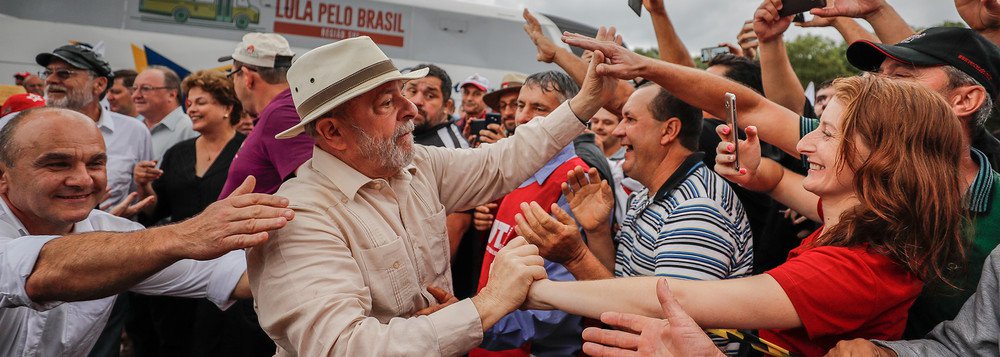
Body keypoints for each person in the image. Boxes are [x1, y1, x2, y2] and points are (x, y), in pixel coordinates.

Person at [569, 12, 1000, 339]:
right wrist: (644, 67)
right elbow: (754, 111)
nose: (808, 145)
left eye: (901, 79)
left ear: (965, 100)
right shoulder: (869, 180)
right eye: (878, 76)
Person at [526, 74, 968, 356]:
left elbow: (670, 300)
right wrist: (759, 172)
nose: (803, 146)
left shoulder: (856, 267)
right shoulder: (853, 222)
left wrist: (531, 294)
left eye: (827, 134)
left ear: (884, 158)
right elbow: (780, 182)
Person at [245, 35, 616, 356]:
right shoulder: (300, 217)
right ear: (333, 132)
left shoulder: (415, 166)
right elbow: (346, 347)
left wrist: (585, 103)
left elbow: (501, 160)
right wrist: (487, 304)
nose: (412, 109)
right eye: (387, 103)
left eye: (401, 94)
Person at [0, 107, 294, 356]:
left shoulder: (116, 232)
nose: (82, 179)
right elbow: (40, 272)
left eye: (96, 163)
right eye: (57, 164)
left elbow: (236, 275)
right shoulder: (128, 241)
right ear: (4, 175)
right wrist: (186, 235)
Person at [516, 83, 753, 354]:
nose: (618, 131)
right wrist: (597, 232)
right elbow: (620, 286)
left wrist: (576, 258)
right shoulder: (646, 195)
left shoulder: (697, 209)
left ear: (669, 130)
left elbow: (664, 334)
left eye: (629, 119)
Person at [472, 70, 592, 357]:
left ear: (568, 116)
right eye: (520, 105)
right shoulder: (518, 167)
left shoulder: (574, 180)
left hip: (522, 344)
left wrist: (478, 327)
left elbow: (561, 297)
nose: (523, 117)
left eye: (539, 108)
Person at [34, 44, 153, 209]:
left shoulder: (134, 131)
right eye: (47, 73)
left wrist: (112, 221)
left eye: (64, 73)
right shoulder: (29, 128)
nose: (50, 80)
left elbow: (141, 198)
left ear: (99, 85)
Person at [217, 32, 313, 198]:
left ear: (247, 77)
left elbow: (315, 183)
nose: (233, 84)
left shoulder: (281, 114)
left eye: (232, 76)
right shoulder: (282, 110)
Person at [402, 63, 473, 263]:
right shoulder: (404, 135)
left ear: (448, 106)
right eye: (412, 91)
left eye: (430, 95)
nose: (417, 101)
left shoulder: (454, 150)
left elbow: (457, 223)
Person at [133, 66, 198, 162]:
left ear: (172, 95)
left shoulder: (191, 129)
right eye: (134, 89)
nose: (136, 95)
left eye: (146, 88)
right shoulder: (133, 129)